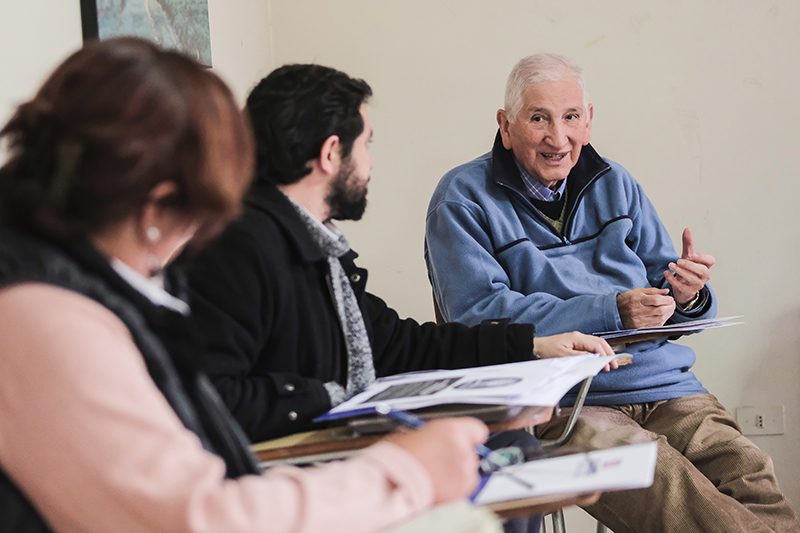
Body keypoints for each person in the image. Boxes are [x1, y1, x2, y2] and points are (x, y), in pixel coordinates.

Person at [0, 37, 499, 533]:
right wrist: (403, 472)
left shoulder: (64, 288)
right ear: (156, 206)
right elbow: (196, 517)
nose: (199, 239)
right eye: (204, 209)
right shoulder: (44, 317)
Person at [424, 53, 800, 532]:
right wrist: (611, 310)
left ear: (589, 120)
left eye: (571, 117)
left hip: (667, 387)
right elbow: (477, 316)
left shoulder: (617, 183)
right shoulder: (462, 197)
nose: (557, 138)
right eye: (538, 118)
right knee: (666, 483)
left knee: (750, 476)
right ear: (505, 124)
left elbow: (664, 294)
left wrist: (686, 297)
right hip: (566, 401)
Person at [185, 64, 615, 445]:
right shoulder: (240, 249)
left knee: (508, 449)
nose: (370, 164)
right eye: (366, 145)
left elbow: (400, 345)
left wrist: (532, 346)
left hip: (341, 446)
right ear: (331, 153)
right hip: (306, 467)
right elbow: (209, 396)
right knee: (499, 454)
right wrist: (335, 397)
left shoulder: (315, 249)